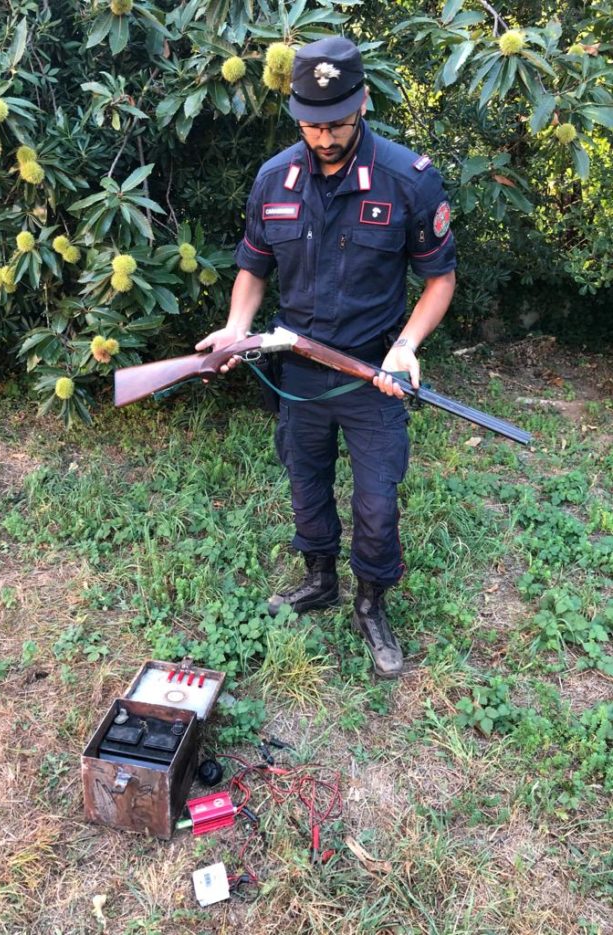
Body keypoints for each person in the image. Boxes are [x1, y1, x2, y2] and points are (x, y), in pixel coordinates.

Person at [196, 36, 456, 678]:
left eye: (337, 123)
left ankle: (371, 601)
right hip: (298, 372)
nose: (325, 137)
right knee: (306, 484)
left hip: (373, 375)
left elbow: (440, 278)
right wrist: (237, 327)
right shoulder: (273, 179)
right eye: (311, 125)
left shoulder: (408, 181)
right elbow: (254, 268)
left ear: (362, 101)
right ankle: (319, 578)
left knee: (377, 501)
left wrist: (405, 347)